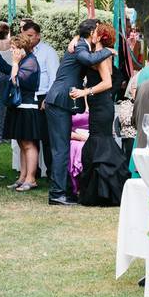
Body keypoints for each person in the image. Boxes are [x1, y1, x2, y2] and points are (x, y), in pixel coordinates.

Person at [43, 19, 114, 205]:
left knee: (61, 148)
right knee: (60, 149)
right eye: (97, 31)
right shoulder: (81, 46)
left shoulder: (80, 43)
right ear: (91, 32)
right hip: (59, 100)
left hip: (61, 100)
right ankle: (57, 194)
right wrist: (109, 50)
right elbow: (88, 59)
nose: (98, 34)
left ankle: (64, 191)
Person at [71, 23, 130, 206]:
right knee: (98, 142)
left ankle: (105, 192)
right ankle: (98, 191)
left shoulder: (102, 56)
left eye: (95, 32)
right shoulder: (99, 54)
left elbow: (107, 83)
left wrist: (84, 92)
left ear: (100, 36)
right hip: (99, 105)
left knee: (101, 142)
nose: (92, 34)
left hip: (102, 105)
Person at [4, 33, 43, 192]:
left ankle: (31, 178)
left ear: (22, 49)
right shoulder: (23, 61)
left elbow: (16, 81)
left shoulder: (30, 62)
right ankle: (22, 177)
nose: (12, 51)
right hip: (18, 107)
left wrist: (14, 63)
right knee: (21, 143)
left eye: (14, 48)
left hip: (28, 107)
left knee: (28, 143)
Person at [22, 21, 59, 175]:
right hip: (28, 97)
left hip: (44, 96)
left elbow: (53, 76)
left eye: (30, 36)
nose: (28, 39)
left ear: (38, 36)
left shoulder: (47, 52)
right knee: (30, 136)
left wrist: (48, 98)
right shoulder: (21, 52)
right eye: (25, 36)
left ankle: (51, 171)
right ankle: (33, 171)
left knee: (46, 136)